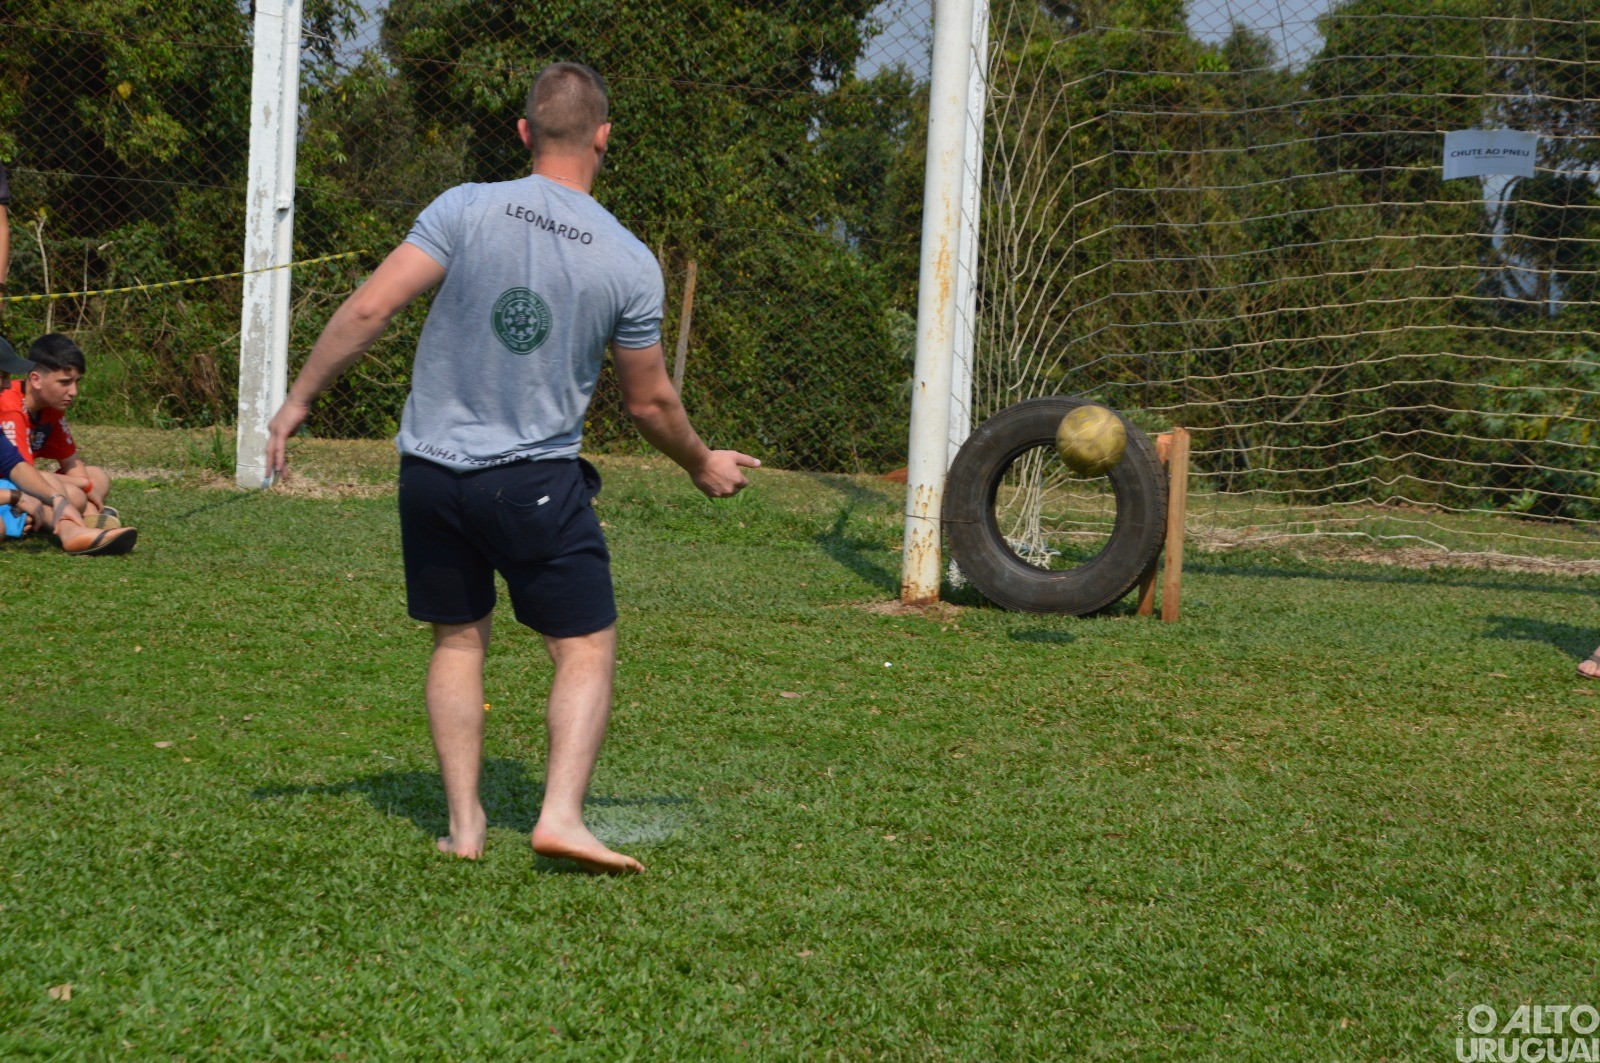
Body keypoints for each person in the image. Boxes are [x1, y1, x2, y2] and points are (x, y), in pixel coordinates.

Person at [266, 62, 759, 874]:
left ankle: (465, 826)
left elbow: (369, 308)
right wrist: (701, 462)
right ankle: (560, 814)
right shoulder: (629, 261)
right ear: (604, 137)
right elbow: (650, 403)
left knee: (458, 641)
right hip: (533, 483)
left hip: (429, 475)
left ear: (526, 133)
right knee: (585, 647)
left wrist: (297, 403)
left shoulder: (463, 208)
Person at [0, 333, 119, 526]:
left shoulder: (51, 407)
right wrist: (83, 486)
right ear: (36, 380)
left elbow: (71, 462)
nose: (73, 392)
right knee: (75, 494)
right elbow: (20, 472)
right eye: (65, 382)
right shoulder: (10, 408)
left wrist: (85, 485)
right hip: (12, 482)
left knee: (98, 476)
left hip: (27, 479)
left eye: (77, 382)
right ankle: (75, 526)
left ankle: (85, 517)